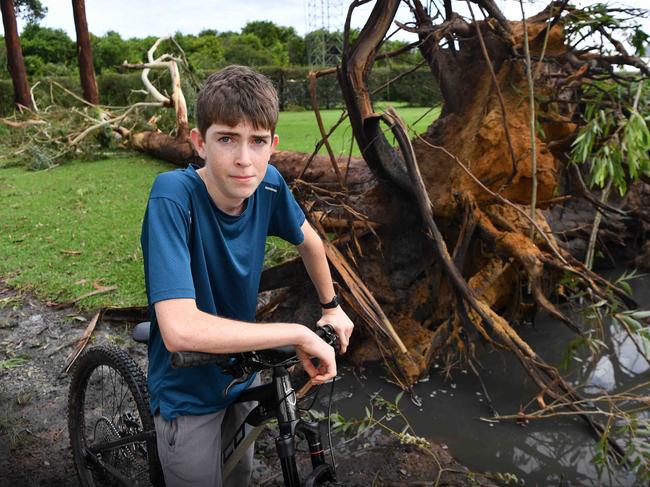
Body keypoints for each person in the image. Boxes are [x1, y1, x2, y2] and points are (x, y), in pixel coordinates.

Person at [140, 64, 354, 487]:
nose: (244, 159)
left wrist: (332, 307)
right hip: (189, 383)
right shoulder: (172, 197)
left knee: (241, 472)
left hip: (241, 368)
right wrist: (297, 332)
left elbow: (310, 242)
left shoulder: (269, 185)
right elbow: (180, 331)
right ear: (200, 143)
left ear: (272, 146)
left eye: (257, 141)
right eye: (227, 139)